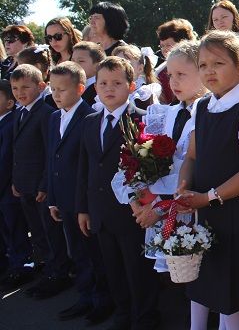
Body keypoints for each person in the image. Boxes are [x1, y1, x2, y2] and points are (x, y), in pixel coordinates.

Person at [176, 31, 239, 330]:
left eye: (218, 63)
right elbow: (192, 155)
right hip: (211, 214)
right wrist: (183, 184)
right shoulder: (202, 107)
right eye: (203, 65)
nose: (209, 71)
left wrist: (208, 197)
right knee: (222, 293)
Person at [76, 56, 160, 330]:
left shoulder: (141, 120)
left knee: (137, 268)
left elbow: (150, 168)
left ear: (131, 86)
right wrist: (83, 208)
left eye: (116, 83)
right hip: (99, 209)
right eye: (102, 83)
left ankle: (145, 317)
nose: (109, 88)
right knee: (112, 267)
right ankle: (123, 313)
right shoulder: (89, 121)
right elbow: (85, 166)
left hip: (129, 212)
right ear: (95, 87)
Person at [113, 41, 206, 274]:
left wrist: (160, 208)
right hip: (160, 206)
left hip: (191, 206)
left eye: (182, 74)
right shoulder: (166, 112)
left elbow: (194, 165)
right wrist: (138, 199)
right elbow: (145, 159)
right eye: (171, 75)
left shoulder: (206, 113)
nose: (173, 82)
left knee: (199, 270)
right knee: (175, 274)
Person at [45, 62, 112, 323]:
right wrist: (52, 198)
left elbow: (88, 165)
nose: (56, 94)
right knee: (78, 253)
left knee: (94, 253)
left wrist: (84, 203)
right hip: (62, 197)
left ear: (81, 89)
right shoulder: (53, 117)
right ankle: (84, 297)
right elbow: (52, 158)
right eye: (52, 89)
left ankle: (101, 300)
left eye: (62, 89)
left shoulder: (88, 117)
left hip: (83, 198)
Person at [10, 64, 72, 298]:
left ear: (41, 86)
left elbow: (50, 152)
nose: (20, 92)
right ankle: (47, 270)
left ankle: (58, 273)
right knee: (37, 232)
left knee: (50, 232)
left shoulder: (46, 114)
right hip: (24, 185)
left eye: (26, 87)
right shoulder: (20, 111)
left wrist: (44, 184)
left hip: (40, 187)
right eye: (15, 88)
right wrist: (16, 180)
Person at [0, 80, 32, 290]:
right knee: (4, 229)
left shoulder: (10, 124)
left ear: (10, 103)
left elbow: (5, 159)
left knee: (14, 228)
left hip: (7, 186)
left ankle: (20, 266)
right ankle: (8, 264)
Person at [155, 18, 196, 105]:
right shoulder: (160, 72)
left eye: (168, 45)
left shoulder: (197, 65)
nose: (165, 49)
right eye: (162, 46)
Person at [112, 44, 161, 110]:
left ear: (140, 69)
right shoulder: (108, 90)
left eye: (126, 65)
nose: (119, 69)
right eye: (115, 65)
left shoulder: (144, 94)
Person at [71, 41, 105, 106]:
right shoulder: (70, 85)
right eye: (72, 61)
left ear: (97, 65)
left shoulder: (100, 90)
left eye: (81, 61)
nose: (74, 65)